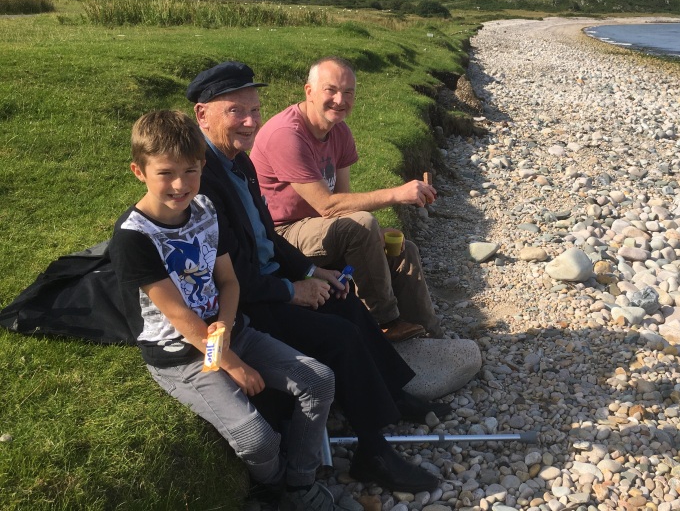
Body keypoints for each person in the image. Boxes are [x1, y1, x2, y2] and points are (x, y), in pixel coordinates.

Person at [188, 61, 444, 494]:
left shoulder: (238, 162)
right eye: (237, 111)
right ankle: (372, 451)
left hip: (269, 280)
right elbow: (230, 276)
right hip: (243, 305)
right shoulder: (199, 179)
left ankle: (390, 393)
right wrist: (292, 290)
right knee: (338, 336)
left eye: (255, 109)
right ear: (202, 115)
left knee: (343, 299)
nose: (251, 121)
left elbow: (267, 237)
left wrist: (312, 270)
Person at [108, 110, 337, 510]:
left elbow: (229, 282)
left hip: (225, 331)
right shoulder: (133, 237)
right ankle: (280, 484)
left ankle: (301, 486)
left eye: (191, 171)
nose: (181, 185)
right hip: (181, 353)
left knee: (318, 380)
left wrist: (227, 331)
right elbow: (179, 317)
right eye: (166, 173)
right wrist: (229, 362)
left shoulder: (205, 209)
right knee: (256, 437)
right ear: (138, 171)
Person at [249, 56, 443, 342]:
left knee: (404, 249)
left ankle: (428, 336)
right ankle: (383, 321)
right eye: (331, 90)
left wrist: (374, 236)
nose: (340, 100)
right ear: (309, 91)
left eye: (348, 92)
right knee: (361, 225)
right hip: (282, 234)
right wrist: (396, 194)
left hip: (318, 226)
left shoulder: (339, 131)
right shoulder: (286, 135)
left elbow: (342, 198)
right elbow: (327, 205)